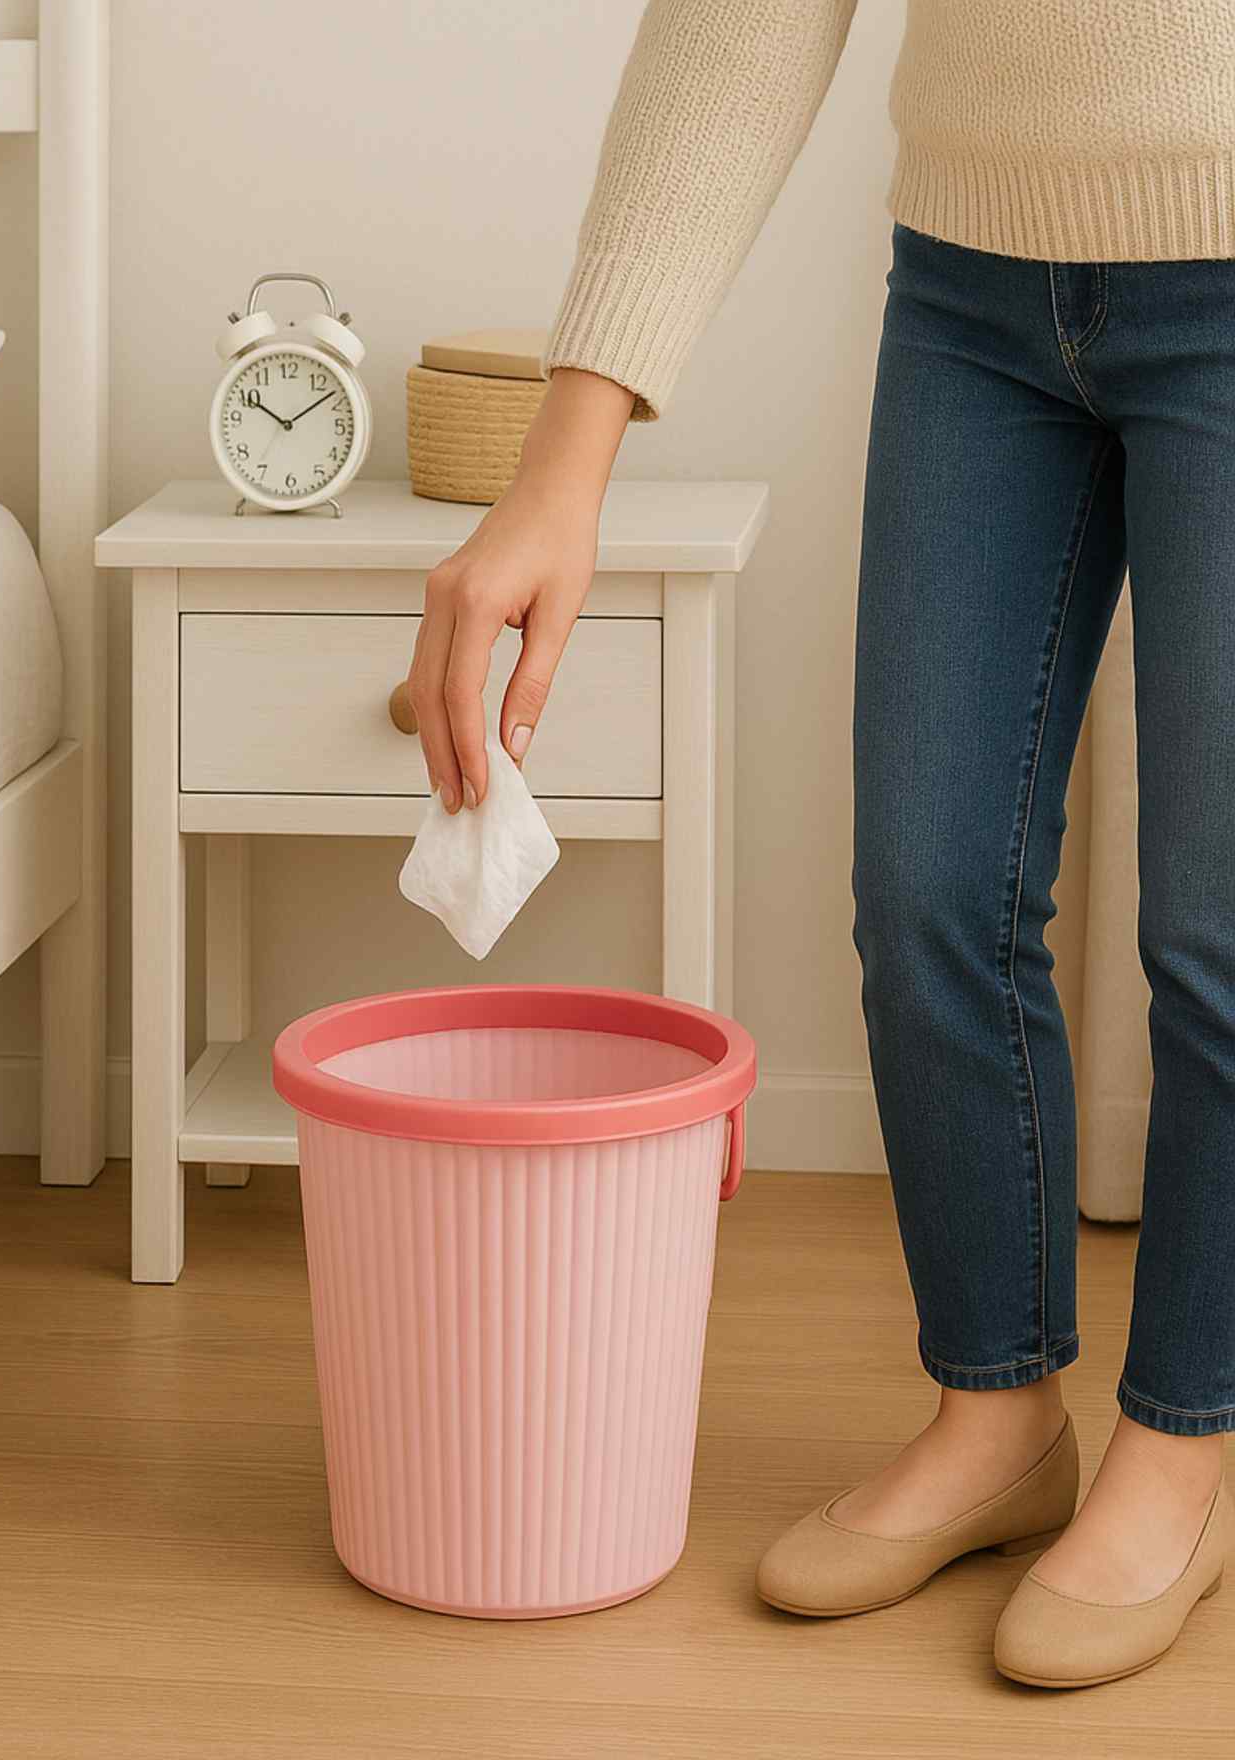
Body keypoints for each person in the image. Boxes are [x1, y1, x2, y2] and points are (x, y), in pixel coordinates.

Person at [407, 0, 1235, 1689]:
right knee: (927, 888)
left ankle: (1186, 1446)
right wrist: (567, 460)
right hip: (972, 289)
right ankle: (996, 1416)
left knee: (1217, 933)